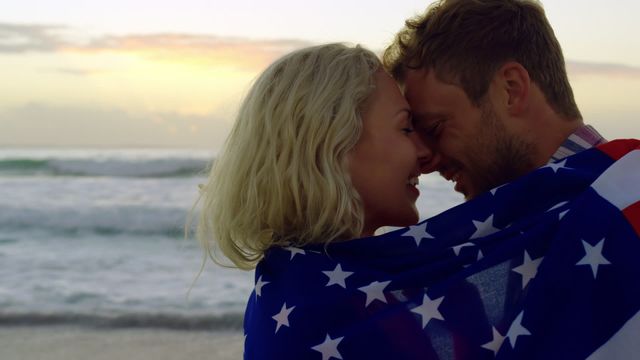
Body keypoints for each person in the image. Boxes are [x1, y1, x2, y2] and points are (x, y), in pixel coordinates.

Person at [196, 43, 441, 357]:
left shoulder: (290, 285)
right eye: (405, 128)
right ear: (332, 146)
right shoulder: (323, 309)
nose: (425, 153)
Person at [383, 0, 606, 200]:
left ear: (511, 89)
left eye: (435, 128)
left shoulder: (625, 213)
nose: (426, 163)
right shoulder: (555, 214)